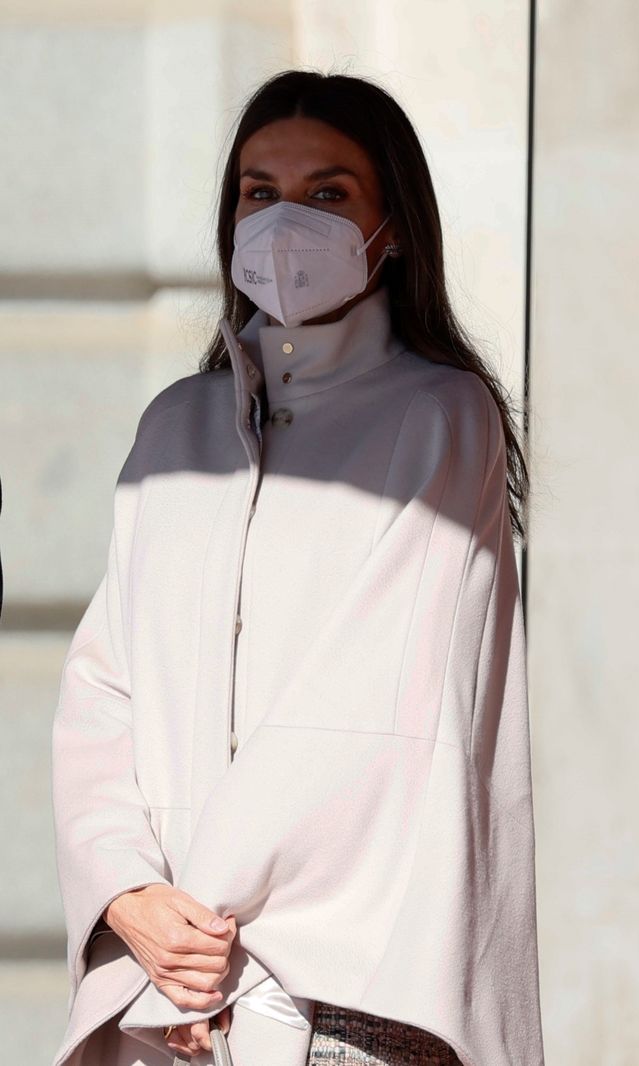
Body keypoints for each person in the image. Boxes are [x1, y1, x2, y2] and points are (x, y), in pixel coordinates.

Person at [49, 70, 545, 1066]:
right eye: (259, 191)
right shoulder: (174, 431)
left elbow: (375, 715)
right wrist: (128, 894)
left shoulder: (441, 418)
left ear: (391, 226)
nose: (285, 222)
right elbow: (103, 690)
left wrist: (195, 942)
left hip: (339, 1000)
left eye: (327, 193)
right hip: (169, 991)